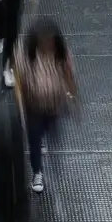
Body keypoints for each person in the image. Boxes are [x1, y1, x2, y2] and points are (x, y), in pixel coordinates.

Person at [13, 19, 77, 193]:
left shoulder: (62, 55)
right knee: (34, 139)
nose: (48, 45)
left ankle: (41, 139)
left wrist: (73, 99)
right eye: (44, 41)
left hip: (54, 104)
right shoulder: (26, 55)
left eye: (51, 41)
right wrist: (20, 105)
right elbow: (20, 81)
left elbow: (69, 76)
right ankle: (37, 172)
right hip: (34, 105)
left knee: (49, 131)